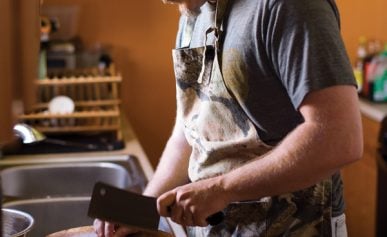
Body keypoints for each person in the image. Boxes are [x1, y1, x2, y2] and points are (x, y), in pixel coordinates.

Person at [94, 0, 363, 236]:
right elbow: (189, 131)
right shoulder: (194, 13)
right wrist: (143, 209)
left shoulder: (290, 6)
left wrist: (222, 189)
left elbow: (339, 137)